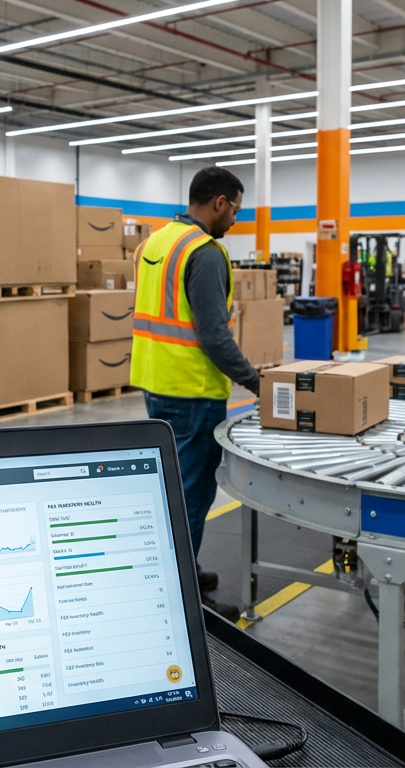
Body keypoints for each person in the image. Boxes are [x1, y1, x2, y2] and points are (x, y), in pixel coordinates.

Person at [130, 166, 262, 622]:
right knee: (191, 492)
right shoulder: (204, 253)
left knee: (170, 488)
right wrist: (257, 382)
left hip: (155, 383)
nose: (236, 221)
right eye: (236, 210)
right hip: (192, 390)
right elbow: (213, 337)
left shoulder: (155, 242)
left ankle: (181, 566)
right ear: (219, 203)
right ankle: (182, 595)